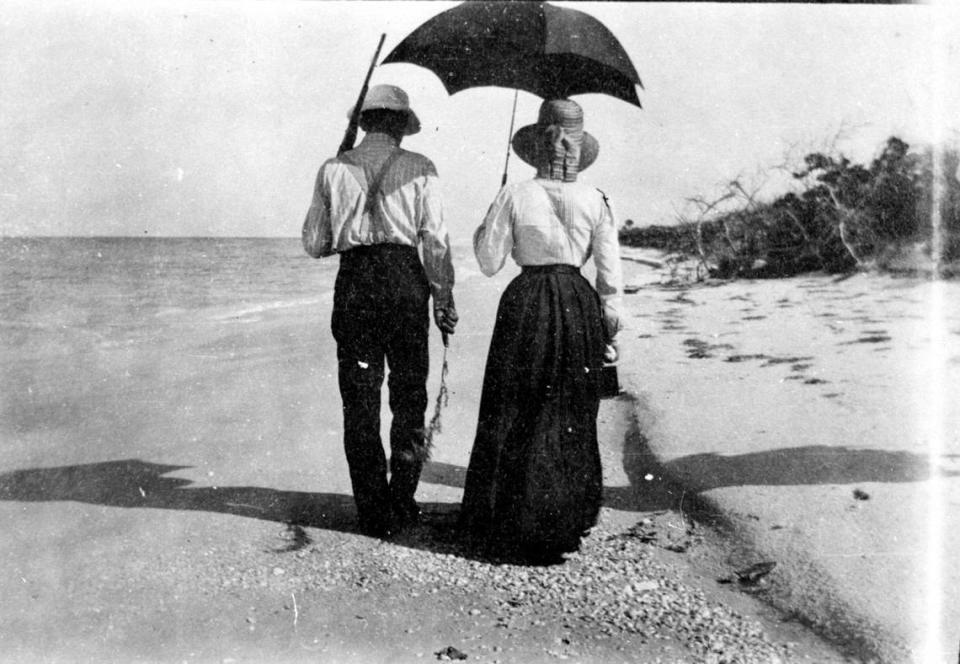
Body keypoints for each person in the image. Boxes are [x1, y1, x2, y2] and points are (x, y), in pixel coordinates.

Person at [459, 98, 622, 562]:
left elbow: (489, 262)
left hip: (527, 302)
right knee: (570, 409)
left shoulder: (515, 193)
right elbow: (610, 273)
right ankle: (564, 518)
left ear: (534, 146)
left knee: (515, 407)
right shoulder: (596, 199)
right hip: (578, 305)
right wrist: (610, 326)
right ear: (578, 147)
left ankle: (511, 519)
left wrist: (486, 221)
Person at [302, 84, 457, 538]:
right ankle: (402, 501)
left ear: (365, 122)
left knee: (360, 399)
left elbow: (315, 244)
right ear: (400, 126)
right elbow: (436, 241)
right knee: (410, 394)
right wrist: (443, 298)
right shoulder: (421, 167)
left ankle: (371, 509)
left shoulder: (333, 168)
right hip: (406, 284)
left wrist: (336, 193)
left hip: (355, 285)